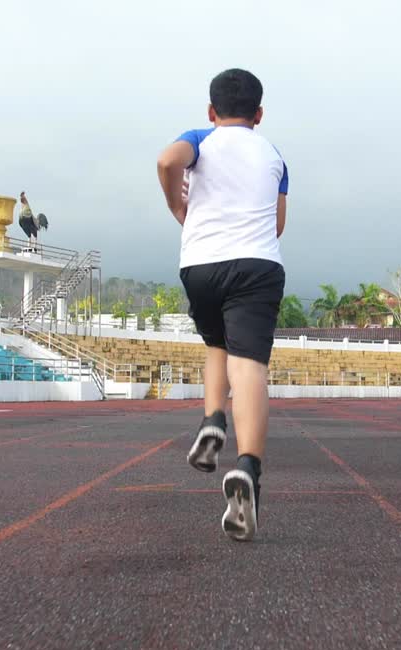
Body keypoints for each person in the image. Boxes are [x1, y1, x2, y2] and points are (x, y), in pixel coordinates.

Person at [156, 68, 288, 542]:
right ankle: (247, 468)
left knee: (216, 345)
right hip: (255, 264)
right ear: (259, 114)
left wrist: (178, 207)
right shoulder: (274, 153)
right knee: (248, 364)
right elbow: (276, 225)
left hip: (200, 265)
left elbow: (168, 161)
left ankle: (213, 421)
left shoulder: (200, 138)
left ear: (212, 112)